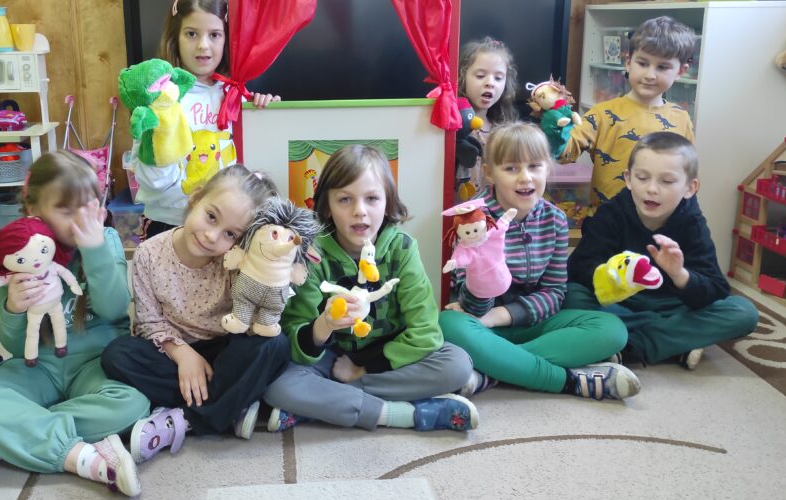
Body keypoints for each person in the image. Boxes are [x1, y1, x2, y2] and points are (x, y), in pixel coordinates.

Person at [0, 152, 151, 497]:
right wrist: (14, 307)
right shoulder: (14, 253)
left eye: (88, 206)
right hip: (37, 365)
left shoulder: (106, 238)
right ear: (33, 209)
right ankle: (80, 454)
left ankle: (6, 438)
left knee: (133, 402)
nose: (81, 219)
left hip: (95, 363)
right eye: (65, 210)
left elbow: (116, 307)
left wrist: (95, 250)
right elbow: (15, 347)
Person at [263, 144, 479, 433]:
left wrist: (363, 369)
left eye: (372, 199)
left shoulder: (403, 248)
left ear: (387, 203)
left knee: (457, 365)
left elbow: (426, 333)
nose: (359, 211)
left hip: (390, 356)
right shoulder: (312, 254)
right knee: (277, 385)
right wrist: (324, 325)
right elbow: (295, 336)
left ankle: (327, 404)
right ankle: (401, 413)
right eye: (345, 199)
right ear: (326, 206)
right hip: (330, 358)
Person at [439, 123, 641, 402]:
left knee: (612, 330)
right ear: (490, 172)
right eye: (511, 168)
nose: (525, 177)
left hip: (529, 322)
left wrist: (497, 317)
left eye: (534, 166)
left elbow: (555, 292)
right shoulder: (471, 220)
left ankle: (493, 372)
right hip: (479, 325)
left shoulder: (555, 219)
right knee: (448, 324)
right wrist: (485, 274)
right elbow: (470, 306)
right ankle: (568, 380)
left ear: (547, 168)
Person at [101, 165, 290, 455]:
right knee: (117, 355)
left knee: (274, 345)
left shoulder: (237, 262)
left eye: (230, 234)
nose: (212, 236)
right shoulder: (149, 253)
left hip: (224, 350)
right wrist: (183, 354)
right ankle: (229, 406)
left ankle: (189, 417)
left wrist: (267, 268)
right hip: (172, 353)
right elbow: (148, 322)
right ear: (196, 198)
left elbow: (254, 318)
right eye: (211, 216)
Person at [564, 132, 759, 369]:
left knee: (744, 313)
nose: (652, 189)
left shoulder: (692, 222)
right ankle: (677, 342)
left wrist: (680, 274)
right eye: (642, 178)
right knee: (571, 295)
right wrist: (616, 275)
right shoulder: (612, 213)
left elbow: (716, 289)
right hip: (620, 303)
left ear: (690, 188)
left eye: (667, 181)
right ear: (628, 179)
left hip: (673, 306)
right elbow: (579, 268)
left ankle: (631, 347)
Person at [132, 0, 279, 239]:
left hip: (222, 225)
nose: (203, 45)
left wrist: (263, 107)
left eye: (214, 35)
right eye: (191, 34)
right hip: (169, 222)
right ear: (175, 38)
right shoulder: (161, 95)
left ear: (227, 39)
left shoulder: (233, 93)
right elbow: (149, 174)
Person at [560, 16, 697, 208]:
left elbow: (686, 171)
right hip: (606, 218)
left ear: (681, 71)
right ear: (628, 62)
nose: (650, 75)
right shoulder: (601, 113)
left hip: (661, 218)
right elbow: (564, 155)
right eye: (642, 63)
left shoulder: (681, 118)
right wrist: (555, 131)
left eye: (662, 67)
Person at [455, 37, 518, 200]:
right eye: (480, 75)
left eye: (498, 78)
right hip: (453, 210)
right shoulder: (453, 129)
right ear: (462, 77)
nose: (490, 83)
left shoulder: (503, 130)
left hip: (493, 211)